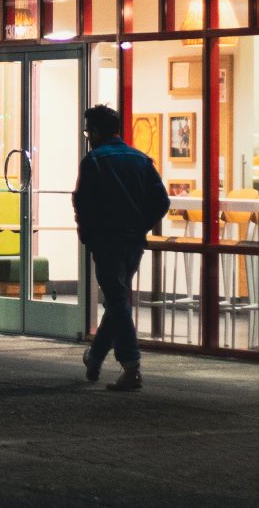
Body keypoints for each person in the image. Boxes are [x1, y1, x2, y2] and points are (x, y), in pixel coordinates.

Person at [73, 103, 171, 391]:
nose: (88, 136)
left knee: (117, 301)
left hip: (106, 241)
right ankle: (95, 357)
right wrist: (141, 225)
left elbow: (84, 203)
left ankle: (131, 367)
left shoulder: (94, 161)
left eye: (88, 130)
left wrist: (88, 235)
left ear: (97, 131)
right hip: (133, 242)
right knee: (118, 300)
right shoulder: (141, 160)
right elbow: (162, 202)